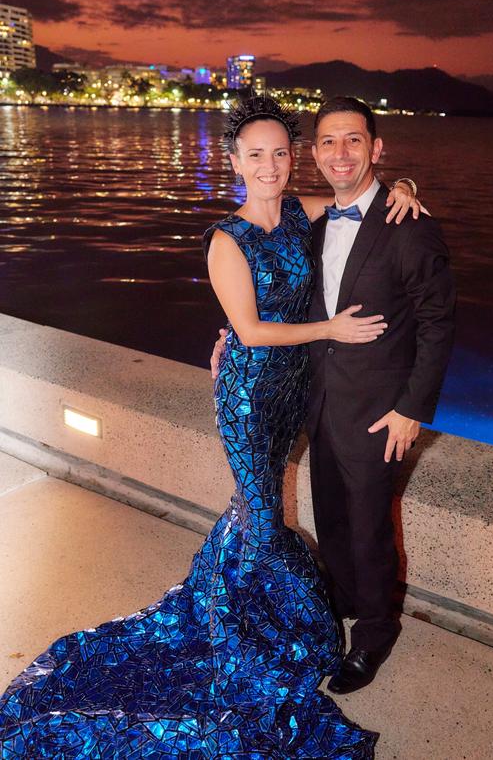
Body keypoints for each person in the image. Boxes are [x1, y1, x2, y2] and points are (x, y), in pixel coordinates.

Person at [0, 96, 419, 758]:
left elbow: (355, 201)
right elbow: (249, 330)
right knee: (260, 521)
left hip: (293, 396)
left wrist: (402, 190)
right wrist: (332, 329)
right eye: (255, 154)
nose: (271, 164)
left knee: (258, 515)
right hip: (250, 397)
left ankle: (259, 620)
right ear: (233, 162)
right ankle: (244, 653)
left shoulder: (299, 212)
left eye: (280, 151)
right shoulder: (227, 237)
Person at [305, 97, 455, 694]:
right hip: (322, 405)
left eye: (353, 141)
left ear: (376, 148)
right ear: (314, 154)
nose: (341, 153)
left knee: (370, 528)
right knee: (333, 519)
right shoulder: (315, 225)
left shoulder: (410, 225)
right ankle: (341, 602)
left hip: (381, 412)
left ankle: (375, 633)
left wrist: (412, 408)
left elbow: (439, 323)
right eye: (328, 142)